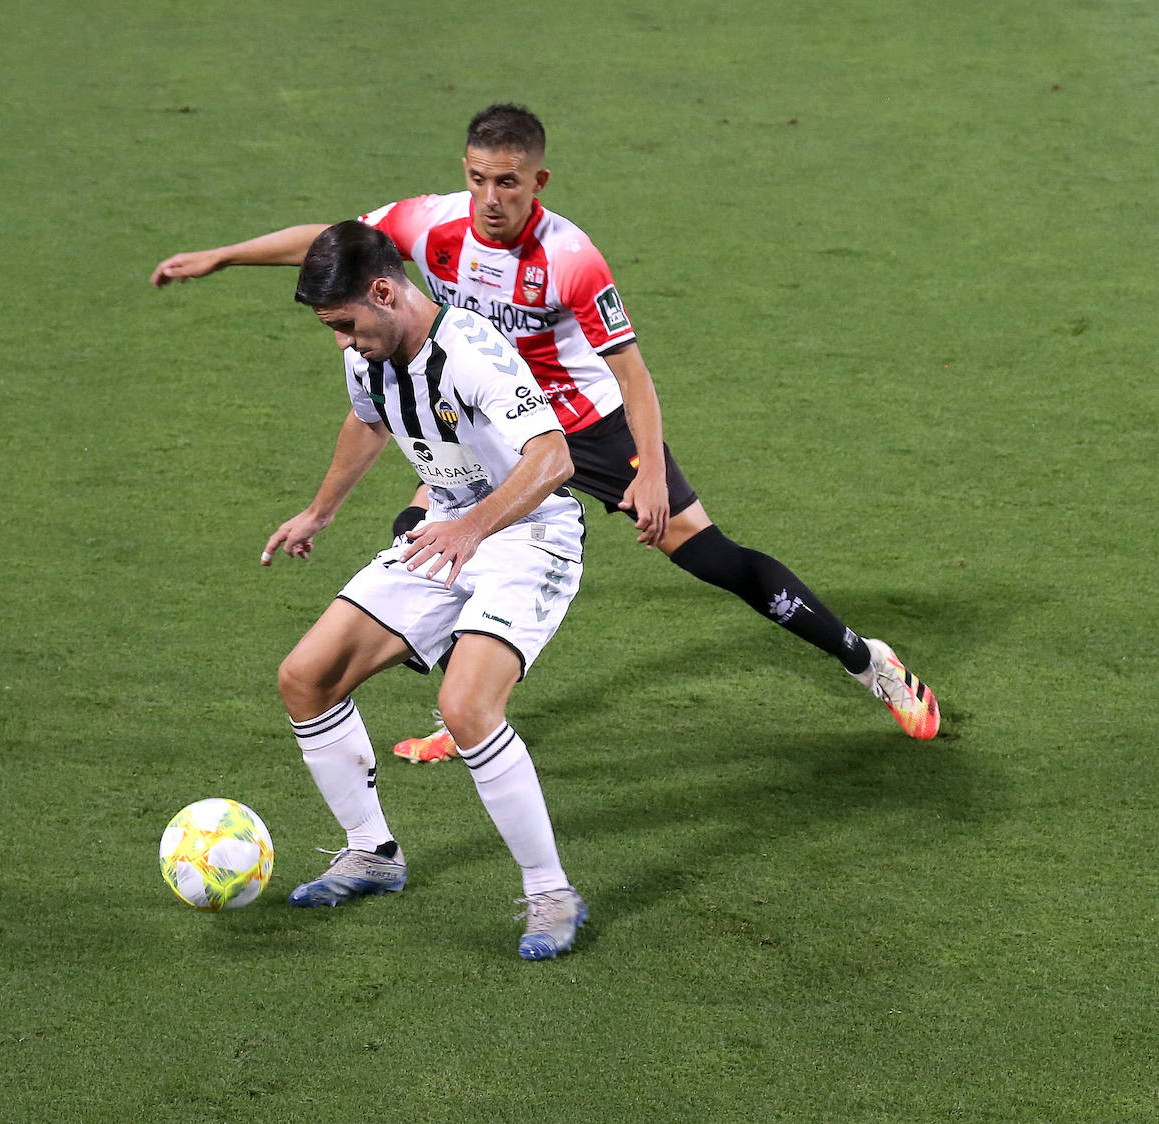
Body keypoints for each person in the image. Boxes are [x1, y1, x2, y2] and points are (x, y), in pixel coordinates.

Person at [151, 103, 941, 762]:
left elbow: (631, 371)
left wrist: (652, 474)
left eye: (506, 182)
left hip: (584, 421)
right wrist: (223, 256)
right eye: (476, 178)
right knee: (424, 535)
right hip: (487, 420)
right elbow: (332, 244)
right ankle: (470, 712)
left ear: (537, 180)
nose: (490, 197)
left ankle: (869, 662)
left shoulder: (569, 255)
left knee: (711, 558)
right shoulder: (429, 226)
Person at [260, 220, 588, 960]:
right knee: (306, 678)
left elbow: (552, 459)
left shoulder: (471, 352)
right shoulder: (367, 357)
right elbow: (368, 421)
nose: (343, 341)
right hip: (445, 532)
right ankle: (372, 853)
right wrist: (321, 510)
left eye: (346, 324)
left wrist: (472, 527)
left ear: (383, 292)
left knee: (466, 705)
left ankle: (550, 892)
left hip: (527, 536)